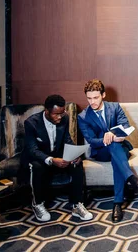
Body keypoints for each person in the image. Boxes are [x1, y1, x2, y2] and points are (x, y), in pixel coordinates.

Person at [77, 79, 138, 223]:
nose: (92, 101)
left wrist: (114, 134)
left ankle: (117, 203)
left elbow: (125, 125)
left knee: (116, 154)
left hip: (120, 147)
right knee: (113, 147)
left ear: (103, 95)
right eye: (89, 98)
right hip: (100, 151)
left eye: (96, 97)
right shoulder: (83, 116)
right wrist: (107, 138)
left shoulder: (115, 107)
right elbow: (91, 140)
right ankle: (133, 182)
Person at [22, 94, 93, 222]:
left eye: (62, 112)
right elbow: (32, 150)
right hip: (39, 157)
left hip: (57, 154)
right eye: (56, 114)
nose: (60, 117)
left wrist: (74, 155)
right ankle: (37, 204)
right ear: (47, 111)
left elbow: (67, 140)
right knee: (37, 166)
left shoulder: (64, 118)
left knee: (77, 163)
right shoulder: (31, 123)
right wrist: (51, 160)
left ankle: (77, 205)